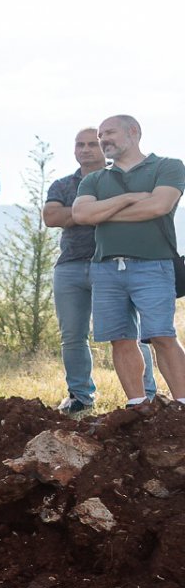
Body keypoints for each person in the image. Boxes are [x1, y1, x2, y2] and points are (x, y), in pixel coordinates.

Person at [71, 115, 185, 405]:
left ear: (133, 132)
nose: (103, 139)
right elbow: (82, 215)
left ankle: (182, 404)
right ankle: (137, 406)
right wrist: (130, 198)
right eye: (100, 135)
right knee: (120, 338)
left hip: (154, 263)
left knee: (162, 335)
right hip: (105, 267)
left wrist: (104, 214)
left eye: (109, 132)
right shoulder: (95, 178)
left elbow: (159, 205)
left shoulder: (167, 166)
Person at [43, 128, 154, 413]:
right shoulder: (63, 184)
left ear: (104, 148)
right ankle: (79, 396)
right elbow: (52, 216)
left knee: (128, 334)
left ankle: (146, 395)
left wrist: (86, 212)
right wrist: (99, 212)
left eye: (92, 144)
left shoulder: (122, 179)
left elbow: (140, 211)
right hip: (69, 266)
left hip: (112, 264)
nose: (85, 149)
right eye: (80, 144)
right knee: (72, 335)